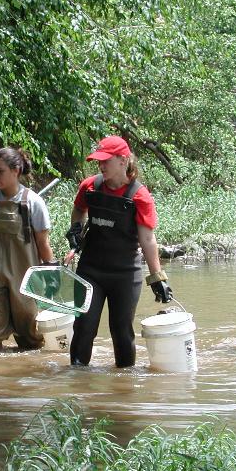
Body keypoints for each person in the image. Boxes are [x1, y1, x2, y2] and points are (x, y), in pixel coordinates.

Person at [63, 135, 172, 368]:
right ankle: (77, 378)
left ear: (123, 160)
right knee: (83, 327)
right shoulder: (89, 186)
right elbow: (79, 209)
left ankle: (125, 383)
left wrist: (157, 278)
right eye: (98, 161)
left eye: (106, 161)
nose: (101, 166)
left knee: (121, 331)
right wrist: (76, 229)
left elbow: (147, 239)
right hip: (90, 270)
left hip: (125, 274)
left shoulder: (140, 196)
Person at [0, 147, 57, 353]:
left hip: (25, 278)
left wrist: (51, 274)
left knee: (31, 339)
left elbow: (43, 244)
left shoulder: (33, 203)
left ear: (16, 171)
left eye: (0, 171)